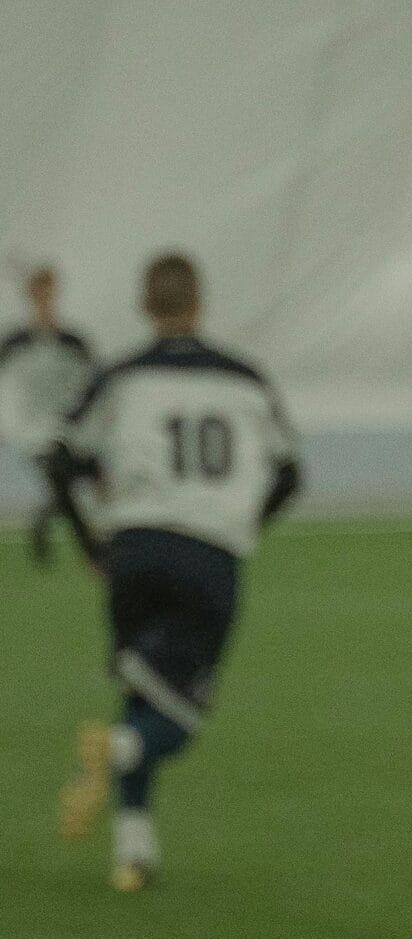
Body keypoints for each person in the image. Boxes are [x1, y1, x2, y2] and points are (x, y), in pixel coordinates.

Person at [49, 252, 301, 891]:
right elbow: (290, 472)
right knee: (180, 715)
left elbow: (61, 456)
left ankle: (135, 850)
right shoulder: (244, 379)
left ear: (145, 306)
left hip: (133, 550)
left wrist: (90, 540)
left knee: (144, 692)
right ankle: (120, 754)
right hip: (208, 554)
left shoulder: (123, 375)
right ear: (199, 303)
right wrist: (241, 526)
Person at [0, 265, 96, 564]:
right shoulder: (13, 345)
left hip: (64, 434)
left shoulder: (74, 342)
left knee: (67, 473)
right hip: (26, 436)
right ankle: (89, 548)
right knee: (58, 474)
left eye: (49, 293)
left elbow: (91, 388)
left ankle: (50, 521)